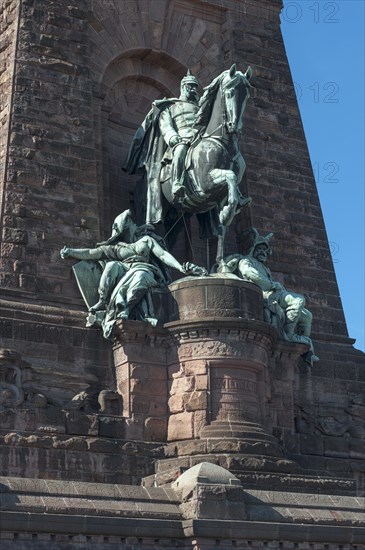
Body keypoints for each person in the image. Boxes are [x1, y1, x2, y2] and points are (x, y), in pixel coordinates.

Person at [60, 210, 207, 338]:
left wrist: (180, 268)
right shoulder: (117, 248)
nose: (130, 227)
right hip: (126, 270)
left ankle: (126, 309)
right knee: (112, 265)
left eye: (128, 224)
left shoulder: (146, 241)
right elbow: (92, 253)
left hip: (146, 270)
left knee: (140, 276)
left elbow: (162, 255)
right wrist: (71, 252)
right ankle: (102, 300)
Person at [225, 229, 319, 364]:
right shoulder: (246, 261)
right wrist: (270, 284)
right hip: (266, 294)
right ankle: (289, 335)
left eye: (265, 250)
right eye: (260, 249)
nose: (263, 252)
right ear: (254, 249)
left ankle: (307, 349)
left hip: (276, 293)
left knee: (307, 316)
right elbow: (250, 274)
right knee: (299, 300)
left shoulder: (265, 267)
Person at [123, 71, 201, 221]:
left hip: (198, 141)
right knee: (181, 150)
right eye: (190, 87)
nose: (193, 90)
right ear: (183, 87)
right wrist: (173, 138)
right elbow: (165, 125)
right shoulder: (170, 106)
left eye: (195, 87)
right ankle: (177, 182)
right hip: (180, 141)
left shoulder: (200, 109)